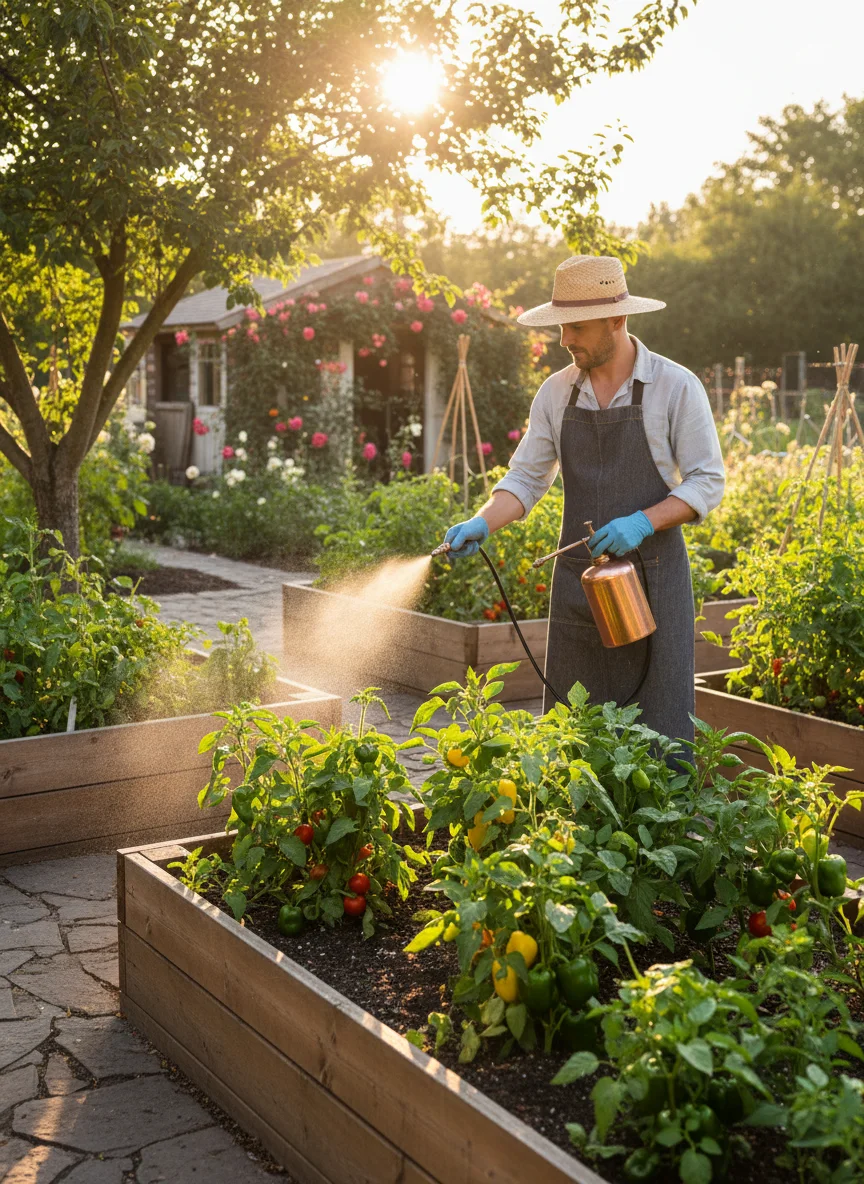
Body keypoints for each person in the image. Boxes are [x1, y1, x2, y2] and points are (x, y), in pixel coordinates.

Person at [443, 254, 724, 742]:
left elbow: (706, 481)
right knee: (572, 741)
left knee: (658, 741)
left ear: (617, 319)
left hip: (652, 585)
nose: (564, 339)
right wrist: (483, 521)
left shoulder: (675, 387)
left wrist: (642, 521)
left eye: (575, 327)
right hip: (579, 588)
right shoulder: (556, 393)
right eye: (560, 327)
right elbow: (527, 479)